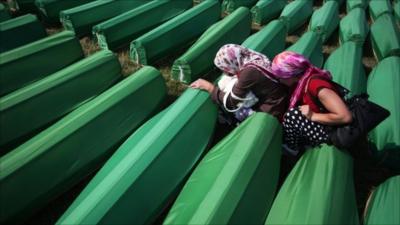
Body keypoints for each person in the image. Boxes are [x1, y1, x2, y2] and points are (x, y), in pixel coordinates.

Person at [270, 51, 353, 153]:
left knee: (293, 115)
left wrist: (313, 115)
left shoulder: (316, 86)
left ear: (292, 75)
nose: (279, 80)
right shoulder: (301, 81)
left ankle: (293, 149)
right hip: (323, 124)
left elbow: (345, 117)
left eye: (280, 77)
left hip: (334, 131)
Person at [190, 44, 290, 124]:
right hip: (279, 98)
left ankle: (235, 122)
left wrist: (209, 87)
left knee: (233, 107)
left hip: (271, 110)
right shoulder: (253, 57)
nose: (226, 72)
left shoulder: (248, 73)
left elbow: (230, 101)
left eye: (226, 69)